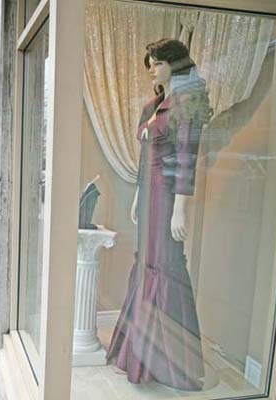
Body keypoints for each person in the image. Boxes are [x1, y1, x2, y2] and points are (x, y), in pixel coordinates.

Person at [106, 39, 212, 391]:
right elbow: (143, 159)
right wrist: (138, 196)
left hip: (167, 198)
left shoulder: (186, 104)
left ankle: (166, 361)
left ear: (174, 65)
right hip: (149, 196)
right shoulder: (153, 105)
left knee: (164, 266)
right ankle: (138, 353)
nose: (151, 68)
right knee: (147, 264)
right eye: (150, 62)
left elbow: (185, 158)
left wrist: (180, 208)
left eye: (157, 62)